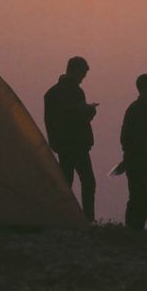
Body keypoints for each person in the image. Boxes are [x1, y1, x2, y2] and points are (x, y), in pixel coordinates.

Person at [44, 56, 97, 221]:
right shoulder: (73, 92)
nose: (84, 77)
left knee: (66, 182)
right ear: (75, 70)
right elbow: (73, 117)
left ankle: (63, 216)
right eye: (83, 73)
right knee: (87, 182)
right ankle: (86, 219)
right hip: (75, 144)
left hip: (63, 144)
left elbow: (50, 120)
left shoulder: (52, 93)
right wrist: (89, 111)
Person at [120, 73, 147, 231]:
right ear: (145, 89)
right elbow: (126, 138)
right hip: (140, 161)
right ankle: (133, 230)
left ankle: (135, 229)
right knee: (140, 198)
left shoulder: (141, 111)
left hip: (141, 160)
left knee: (145, 199)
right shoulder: (138, 111)